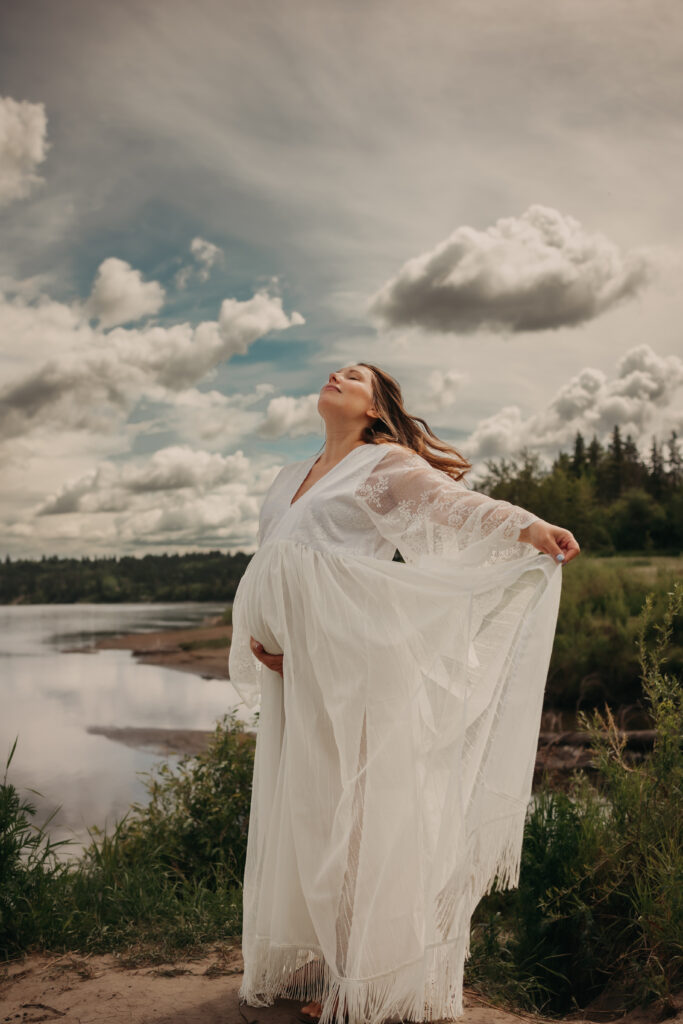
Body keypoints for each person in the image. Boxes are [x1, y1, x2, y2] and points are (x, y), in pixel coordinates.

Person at [228, 362, 579, 1024]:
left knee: (363, 815)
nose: (338, 373)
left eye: (355, 375)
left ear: (375, 408)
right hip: (298, 675)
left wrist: (527, 527)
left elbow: (455, 507)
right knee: (310, 810)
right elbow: (276, 562)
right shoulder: (284, 480)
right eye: (337, 368)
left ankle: (369, 981)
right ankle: (339, 961)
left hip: (358, 659)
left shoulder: (380, 463)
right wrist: (263, 636)